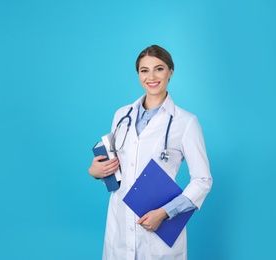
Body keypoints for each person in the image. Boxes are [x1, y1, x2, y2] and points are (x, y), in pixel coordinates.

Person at [88, 45, 212, 260]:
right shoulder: (121, 115)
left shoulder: (186, 122)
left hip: (158, 231)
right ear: (138, 74)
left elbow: (202, 180)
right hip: (120, 227)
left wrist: (165, 213)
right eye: (144, 70)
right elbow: (117, 171)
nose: (151, 76)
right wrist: (96, 171)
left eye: (159, 69)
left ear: (170, 71)